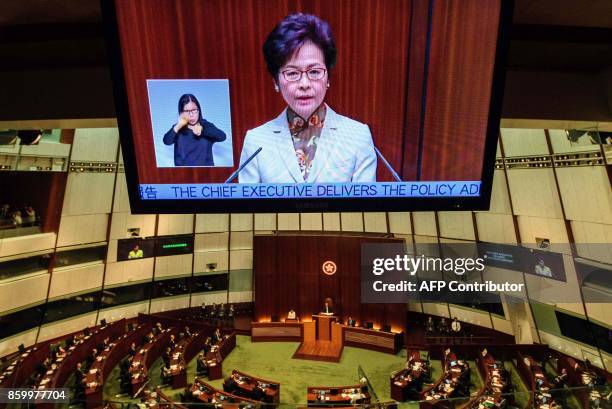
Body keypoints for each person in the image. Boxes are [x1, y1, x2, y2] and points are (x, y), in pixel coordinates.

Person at [238, 13, 377, 183]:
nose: (304, 83)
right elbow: (249, 209)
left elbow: (364, 208)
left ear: (328, 78)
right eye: (292, 73)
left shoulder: (358, 136)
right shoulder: (256, 141)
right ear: (276, 81)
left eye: (314, 72)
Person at [163, 93, 226, 166]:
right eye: (187, 111)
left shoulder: (206, 125)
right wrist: (178, 126)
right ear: (181, 113)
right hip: (182, 174)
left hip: (206, 174)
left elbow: (222, 136)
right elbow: (166, 141)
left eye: (194, 110)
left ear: (199, 110)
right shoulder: (178, 128)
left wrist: (203, 130)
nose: (191, 115)